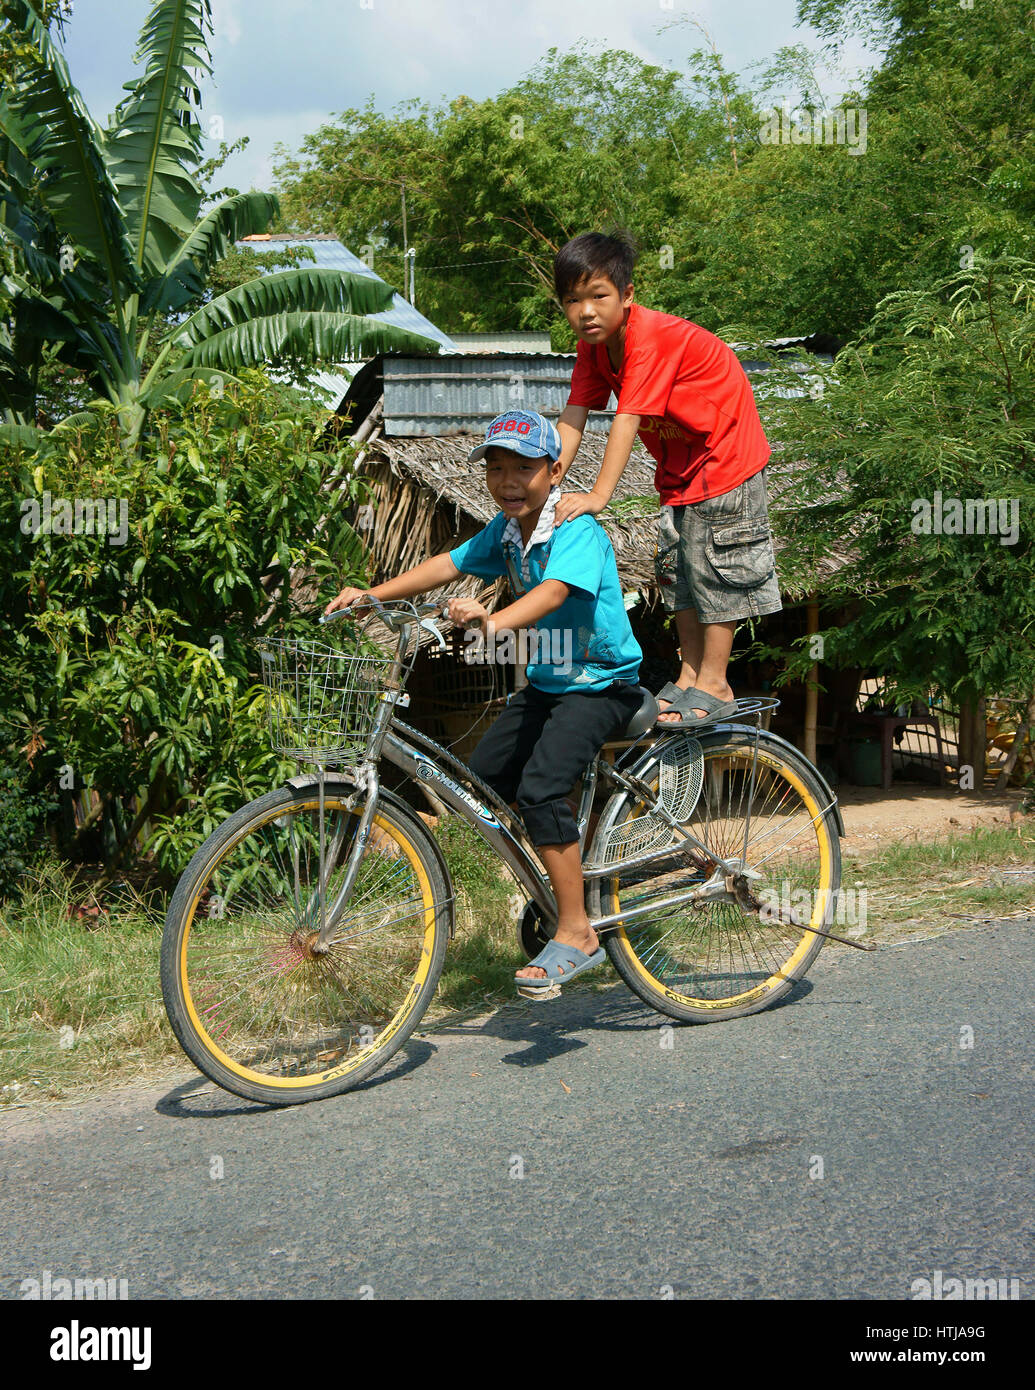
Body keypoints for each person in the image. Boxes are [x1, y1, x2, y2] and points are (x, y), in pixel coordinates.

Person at [323, 409, 644, 994]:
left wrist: (494, 620)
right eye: (496, 468)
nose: (508, 481)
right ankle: (559, 883)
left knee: (541, 787)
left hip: (601, 684)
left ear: (554, 469)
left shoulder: (576, 530)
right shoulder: (505, 531)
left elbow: (553, 593)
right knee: (485, 778)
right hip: (549, 685)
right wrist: (372, 594)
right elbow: (447, 564)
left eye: (524, 467)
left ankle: (577, 929)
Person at [551, 230, 782, 727]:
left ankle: (715, 682)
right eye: (573, 300)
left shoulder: (650, 339)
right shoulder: (593, 349)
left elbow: (627, 419)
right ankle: (689, 675)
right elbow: (574, 414)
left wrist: (597, 495)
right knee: (677, 569)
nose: (586, 311)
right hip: (679, 467)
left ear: (628, 295)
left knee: (715, 565)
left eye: (599, 296)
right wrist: (548, 480)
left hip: (726, 457)